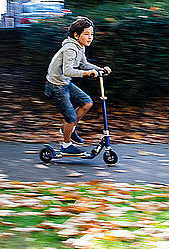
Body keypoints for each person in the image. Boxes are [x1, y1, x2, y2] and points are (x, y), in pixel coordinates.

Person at [44, 16, 112, 155]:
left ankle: (69, 130)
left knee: (87, 103)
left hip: (65, 82)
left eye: (92, 34)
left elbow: (83, 64)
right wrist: (87, 74)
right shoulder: (70, 49)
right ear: (76, 35)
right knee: (71, 117)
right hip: (56, 85)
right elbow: (68, 70)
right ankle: (66, 145)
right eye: (86, 34)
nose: (90, 37)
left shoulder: (79, 47)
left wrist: (99, 69)